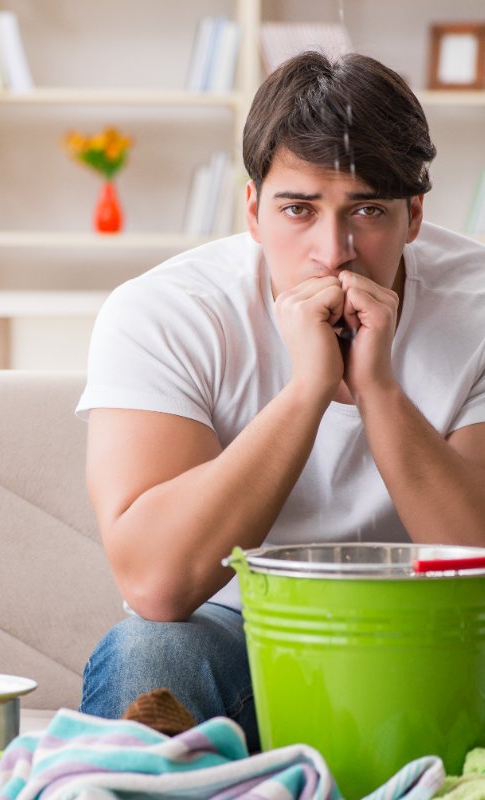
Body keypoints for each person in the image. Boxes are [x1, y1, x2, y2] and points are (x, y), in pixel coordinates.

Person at [74, 51, 485, 750]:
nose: (335, 252)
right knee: (151, 651)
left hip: (443, 630)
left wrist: (377, 385)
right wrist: (308, 390)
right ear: (254, 212)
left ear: (415, 215)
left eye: (369, 211)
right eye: (299, 210)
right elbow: (158, 583)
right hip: (247, 635)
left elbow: (477, 548)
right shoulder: (166, 312)